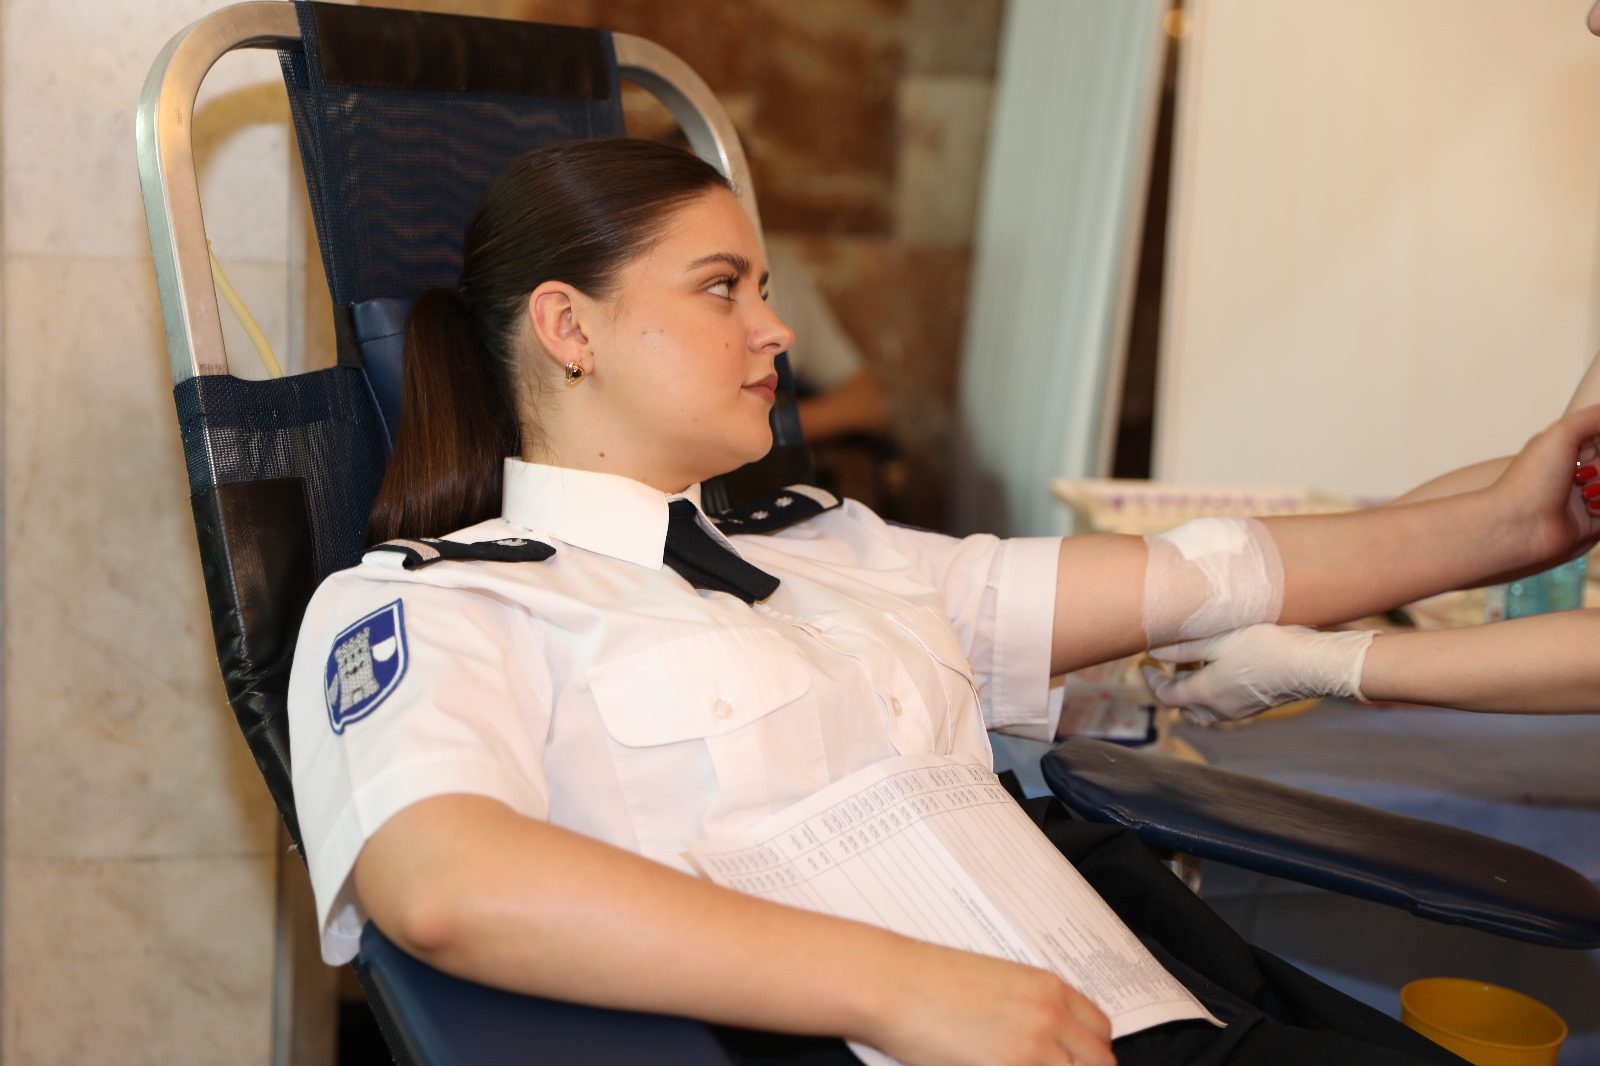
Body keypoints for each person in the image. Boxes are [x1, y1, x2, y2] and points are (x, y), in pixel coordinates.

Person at [288, 137, 1600, 1066]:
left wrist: (1507, 520)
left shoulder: (840, 547)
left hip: (1165, 1012)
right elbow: (444, 881)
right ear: (568, 329)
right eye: (722, 287)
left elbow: (1210, 573)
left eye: (764, 289)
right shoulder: (435, 604)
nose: (776, 330)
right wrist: (903, 988)